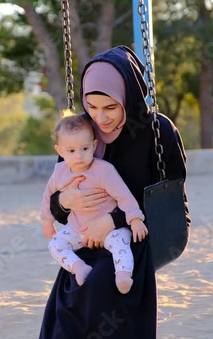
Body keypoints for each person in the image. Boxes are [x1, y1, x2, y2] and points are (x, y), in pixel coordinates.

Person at [15, 45, 190, 339]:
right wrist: (66, 204)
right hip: (87, 234)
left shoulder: (157, 131)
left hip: (144, 232)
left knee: (104, 282)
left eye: (111, 107)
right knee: (69, 288)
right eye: (92, 107)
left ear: (129, 94)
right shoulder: (80, 132)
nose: (101, 118)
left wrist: (111, 221)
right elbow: (56, 195)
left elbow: (171, 200)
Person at [40, 113, 148, 294]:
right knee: (55, 245)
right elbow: (48, 195)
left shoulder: (104, 171)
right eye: (71, 151)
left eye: (85, 148)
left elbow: (124, 196)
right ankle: (78, 267)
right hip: (77, 228)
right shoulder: (60, 172)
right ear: (60, 151)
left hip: (109, 230)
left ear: (94, 146)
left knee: (121, 242)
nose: (79, 156)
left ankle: (123, 274)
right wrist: (46, 221)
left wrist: (135, 219)